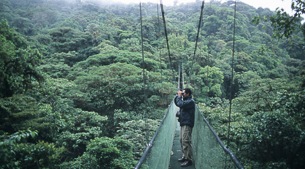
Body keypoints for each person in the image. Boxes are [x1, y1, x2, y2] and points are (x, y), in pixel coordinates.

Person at [174, 88, 195, 167]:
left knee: (186, 141)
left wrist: (179, 96)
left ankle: (188, 159)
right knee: (181, 140)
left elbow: (181, 104)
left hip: (187, 123)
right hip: (183, 122)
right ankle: (184, 156)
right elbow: (177, 103)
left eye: (184, 93)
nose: (182, 94)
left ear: (188, 94)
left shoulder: (190, 102)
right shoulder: (185, 100)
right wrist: (177, 96)